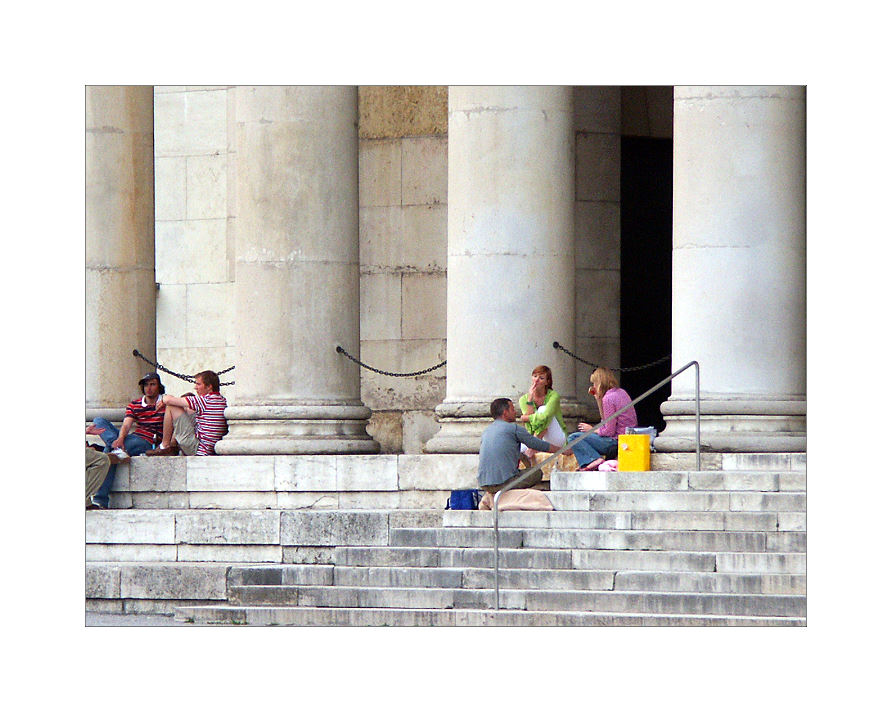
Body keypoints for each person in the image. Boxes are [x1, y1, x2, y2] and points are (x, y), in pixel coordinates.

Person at [85, 372, 167, 509]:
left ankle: (100, 499)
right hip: (131, 436)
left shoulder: (164, 403)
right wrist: (120, 439)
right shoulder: (135, 404)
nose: (149, 388)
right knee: (98, 421)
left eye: (152, 384)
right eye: (146, 385)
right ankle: (115, 446)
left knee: (108, 452)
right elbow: (127, 424)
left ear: (159, 386)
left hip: (146, 440)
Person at [478, 397, 560, 494]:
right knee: (537, 473)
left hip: (484, 483)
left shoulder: (487, 431)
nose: (515, 413)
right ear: (505, 413)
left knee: (526, 471)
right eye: (512, 409)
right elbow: (536, 444)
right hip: (503, 483)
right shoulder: (513, 428)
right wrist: (561, 450)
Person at [568, 366, 637, 471]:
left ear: (599, 383)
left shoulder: (608, 398)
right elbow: (606, 421)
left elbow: (608, 431)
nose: (593, 386)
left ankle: (592, 459)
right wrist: (598, 400)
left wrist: (591, 429)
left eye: (594, 383)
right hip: (627, 439)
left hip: (615, 441)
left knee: (573, 438)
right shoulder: (621, 392)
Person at [147, 370, 227, 456]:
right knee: (187, 408)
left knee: (172, 407)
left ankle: (164, 446)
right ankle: (173, 445)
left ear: (209, 387)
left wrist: (163, 399)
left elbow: (169, 400)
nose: (195, 387)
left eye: (198, 384)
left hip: (199, 449)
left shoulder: (204, 401)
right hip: (209, 449)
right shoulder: (221, 400)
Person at [517, 365, 567, 458]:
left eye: (541, 378)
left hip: (554, 436)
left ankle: (534, 445)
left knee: (542, 409)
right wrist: (530, 400)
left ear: (547, 382)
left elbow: (545, 416)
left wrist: (526, 417)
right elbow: (530, 426)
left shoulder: (553, 396)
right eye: (535, 376)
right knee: (517, 448)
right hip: (534, 436)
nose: (536, 380)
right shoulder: (523, 399)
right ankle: (535, 444)